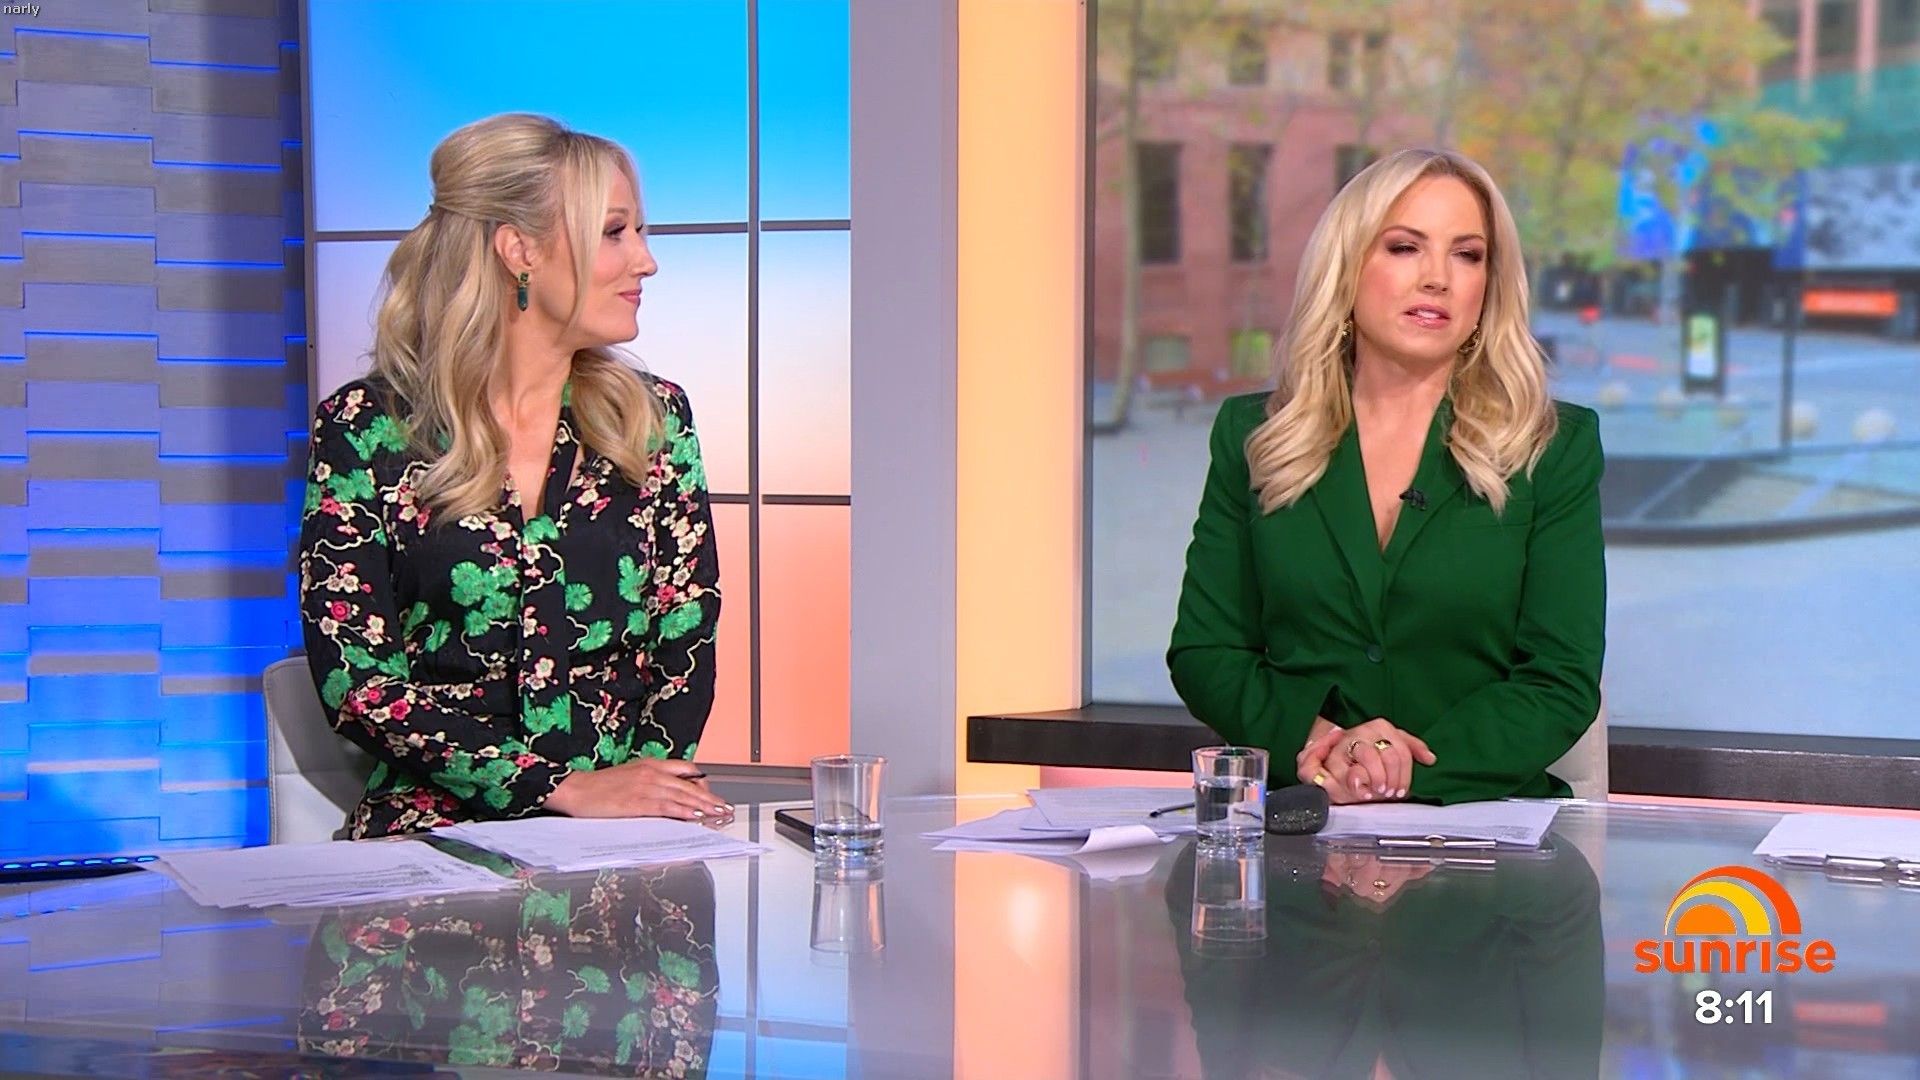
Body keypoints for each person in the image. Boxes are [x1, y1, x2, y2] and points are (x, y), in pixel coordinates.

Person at [298, 113, 726, 838]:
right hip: (434, 835)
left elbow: (685, 642)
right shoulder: (366, 428)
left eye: (639, 232)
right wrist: (558, 791)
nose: (645, 261)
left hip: (622, 834)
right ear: (519, 250)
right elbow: (357, 682)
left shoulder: (655, 421)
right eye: (614, 233)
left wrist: (639, 797)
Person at [1166, 148, 1604, 805]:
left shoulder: (1552, 447)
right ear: (1347, 266)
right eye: (1405, 247)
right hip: (1306, 814)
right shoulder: (1254, 435)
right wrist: (1319, 743)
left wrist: (1395, 772)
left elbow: (1559, 679)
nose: (1438, 278)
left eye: (1467, 255)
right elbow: (1207, 652)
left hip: (1482, 824)